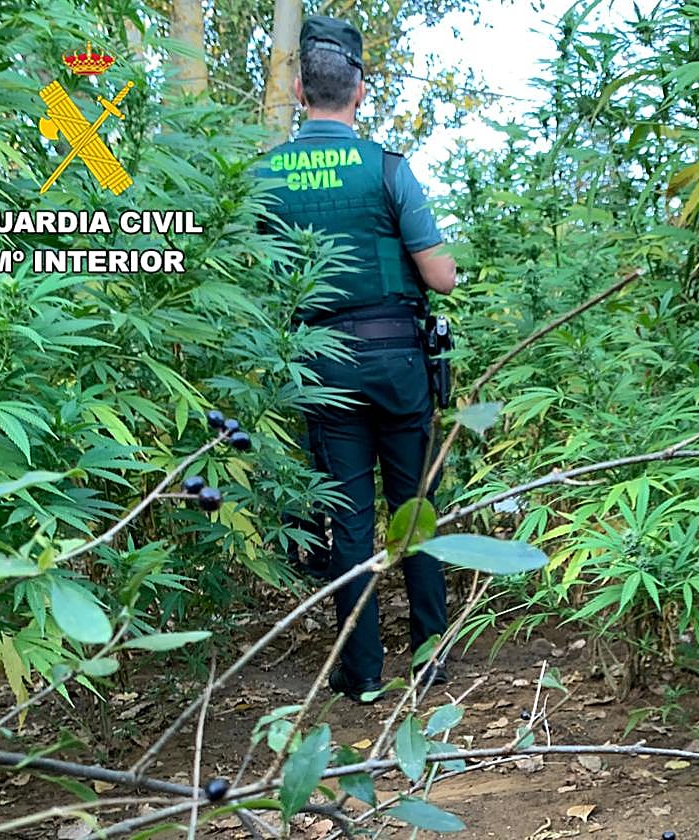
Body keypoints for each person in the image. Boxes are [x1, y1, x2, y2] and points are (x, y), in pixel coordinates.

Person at [257, 16, 457, 703]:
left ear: (296, 89)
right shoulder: (388, 168)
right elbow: (440, 278)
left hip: (322, 366)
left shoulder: (263, 176)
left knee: (349, 520)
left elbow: (250, 280)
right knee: (416, 510)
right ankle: (430, 659)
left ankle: (362, 673)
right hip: (399, 364)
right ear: (360, 92)